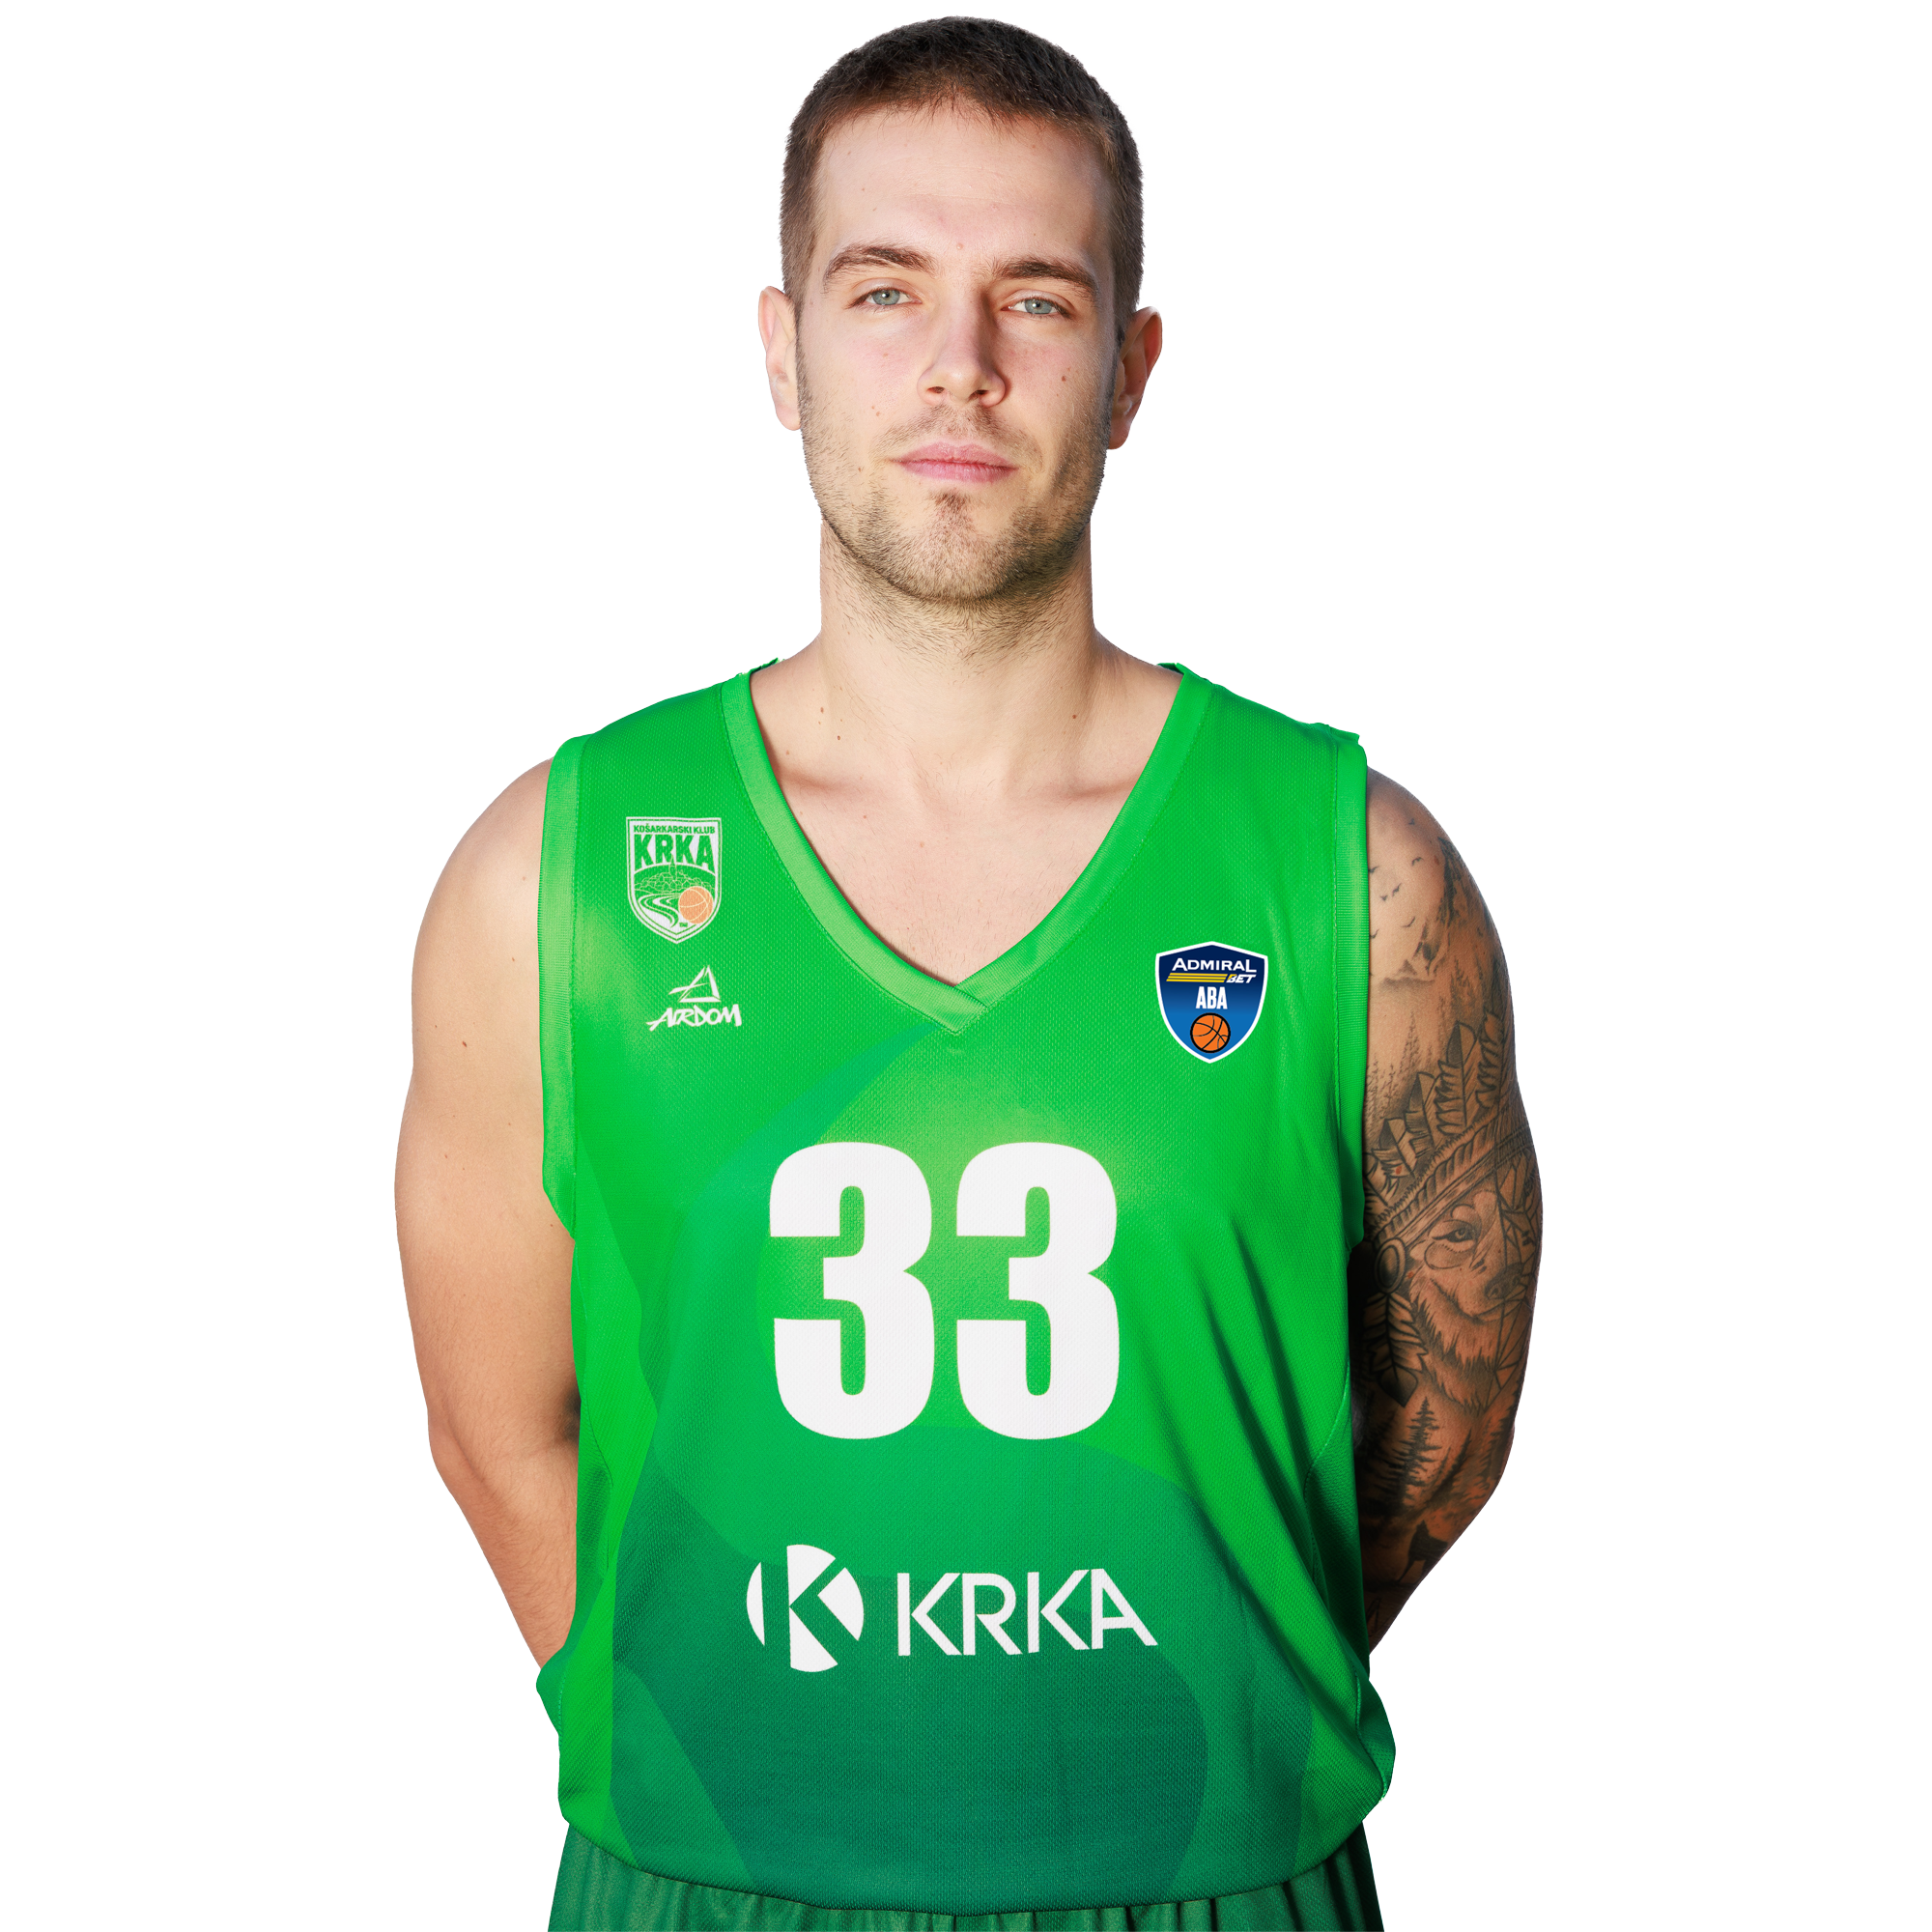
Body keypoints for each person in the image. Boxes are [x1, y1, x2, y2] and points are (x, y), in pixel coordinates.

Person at [397, 18, 1542, 1931]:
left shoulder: (1353, 869)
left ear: (1130, 368)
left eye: (1036, 297)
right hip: (710, 1878)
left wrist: (1216, 1668)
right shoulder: (562, 873)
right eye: (884, 291)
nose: (960, 364)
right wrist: (722, 1741)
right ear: (780, 350)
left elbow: (1449, 1412)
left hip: (1211, 1881)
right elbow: (497, 1428)